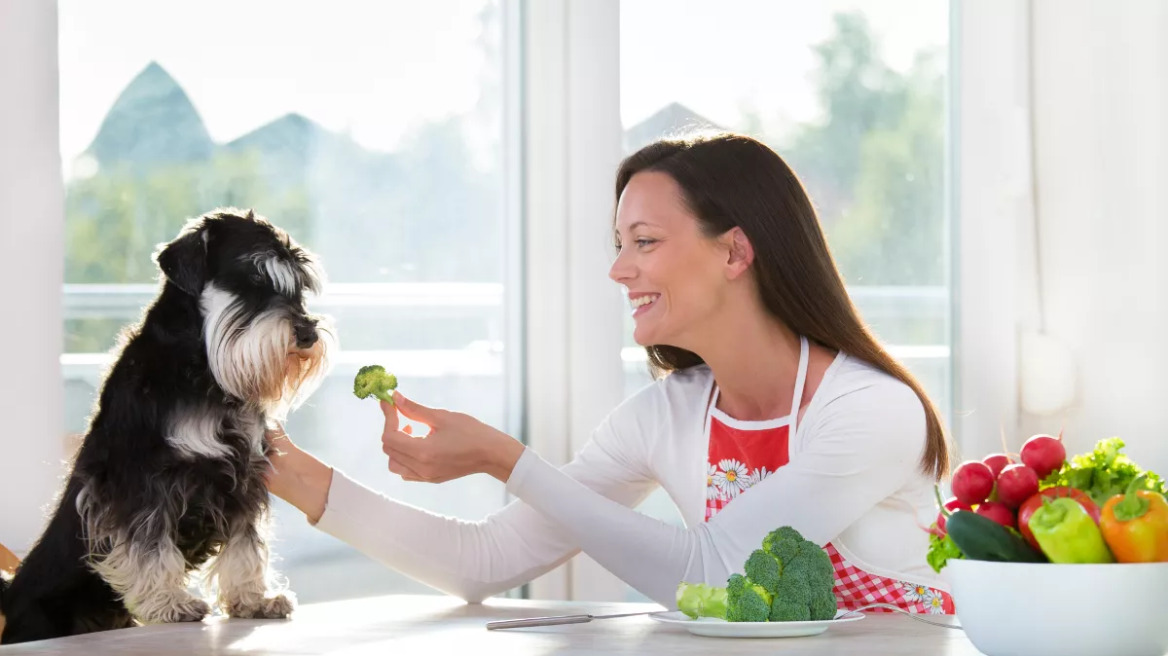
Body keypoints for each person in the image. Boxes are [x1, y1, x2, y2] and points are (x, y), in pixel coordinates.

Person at [267, 132, 955, 614]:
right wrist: (280, 465)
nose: (619, 269)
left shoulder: (872, 410)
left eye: (645, 243)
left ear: (735, 252)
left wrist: (508, 462)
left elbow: (716, 570)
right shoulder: (667, 415)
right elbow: (480, 562)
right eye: (619, 244)